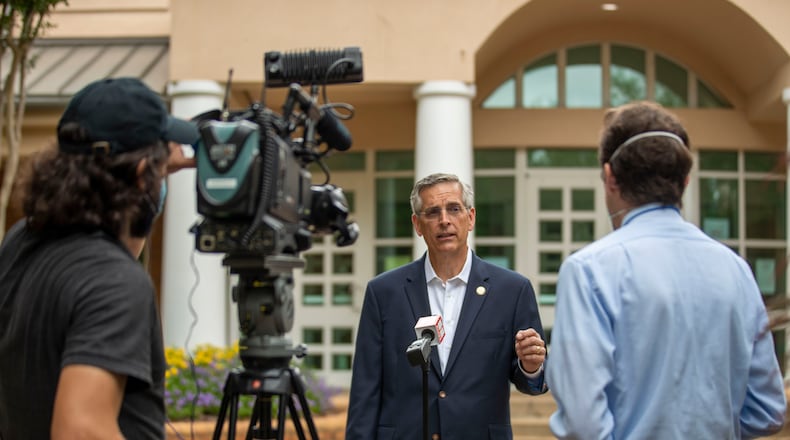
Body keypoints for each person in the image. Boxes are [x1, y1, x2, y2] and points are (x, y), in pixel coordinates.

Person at [546, 101, 787, 439]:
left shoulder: (590, 271)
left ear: (610, 177)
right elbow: (767, 411)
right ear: (686, 180)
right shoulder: (736, 270)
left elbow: (583, 423)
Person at [0, 77, 199, 439]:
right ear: (141, 177)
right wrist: (146, 187)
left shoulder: (21, 241)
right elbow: (81, 430)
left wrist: (147, 178)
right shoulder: (114, 280)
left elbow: (107, 257)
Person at [346, 172, 548, 440]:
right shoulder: (383, 292)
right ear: (417, 225)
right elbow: (365, 389)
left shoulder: (512, 290)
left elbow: (530, 383)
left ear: (471, 217)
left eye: (454, 209)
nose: (444, 220)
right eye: (432, 212)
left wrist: (530, 366)